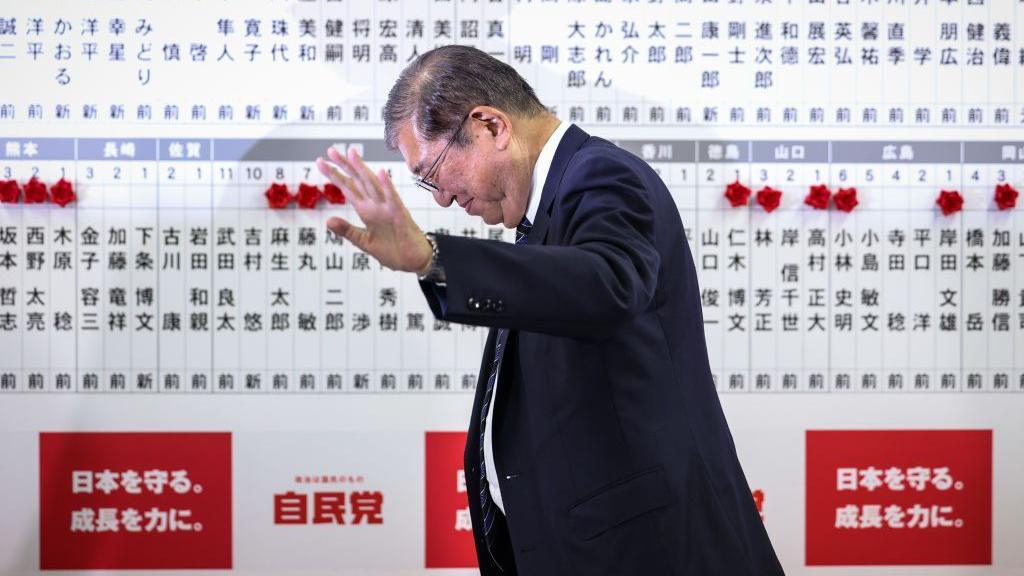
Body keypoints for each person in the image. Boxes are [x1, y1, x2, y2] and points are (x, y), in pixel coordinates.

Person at [317, 45, 784, 576]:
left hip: (650, 549)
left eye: (435, 172)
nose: (443, 200)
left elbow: (609, 283)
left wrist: (434, 257)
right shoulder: (543, 208)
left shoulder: (599, 174)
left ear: (491, 125)